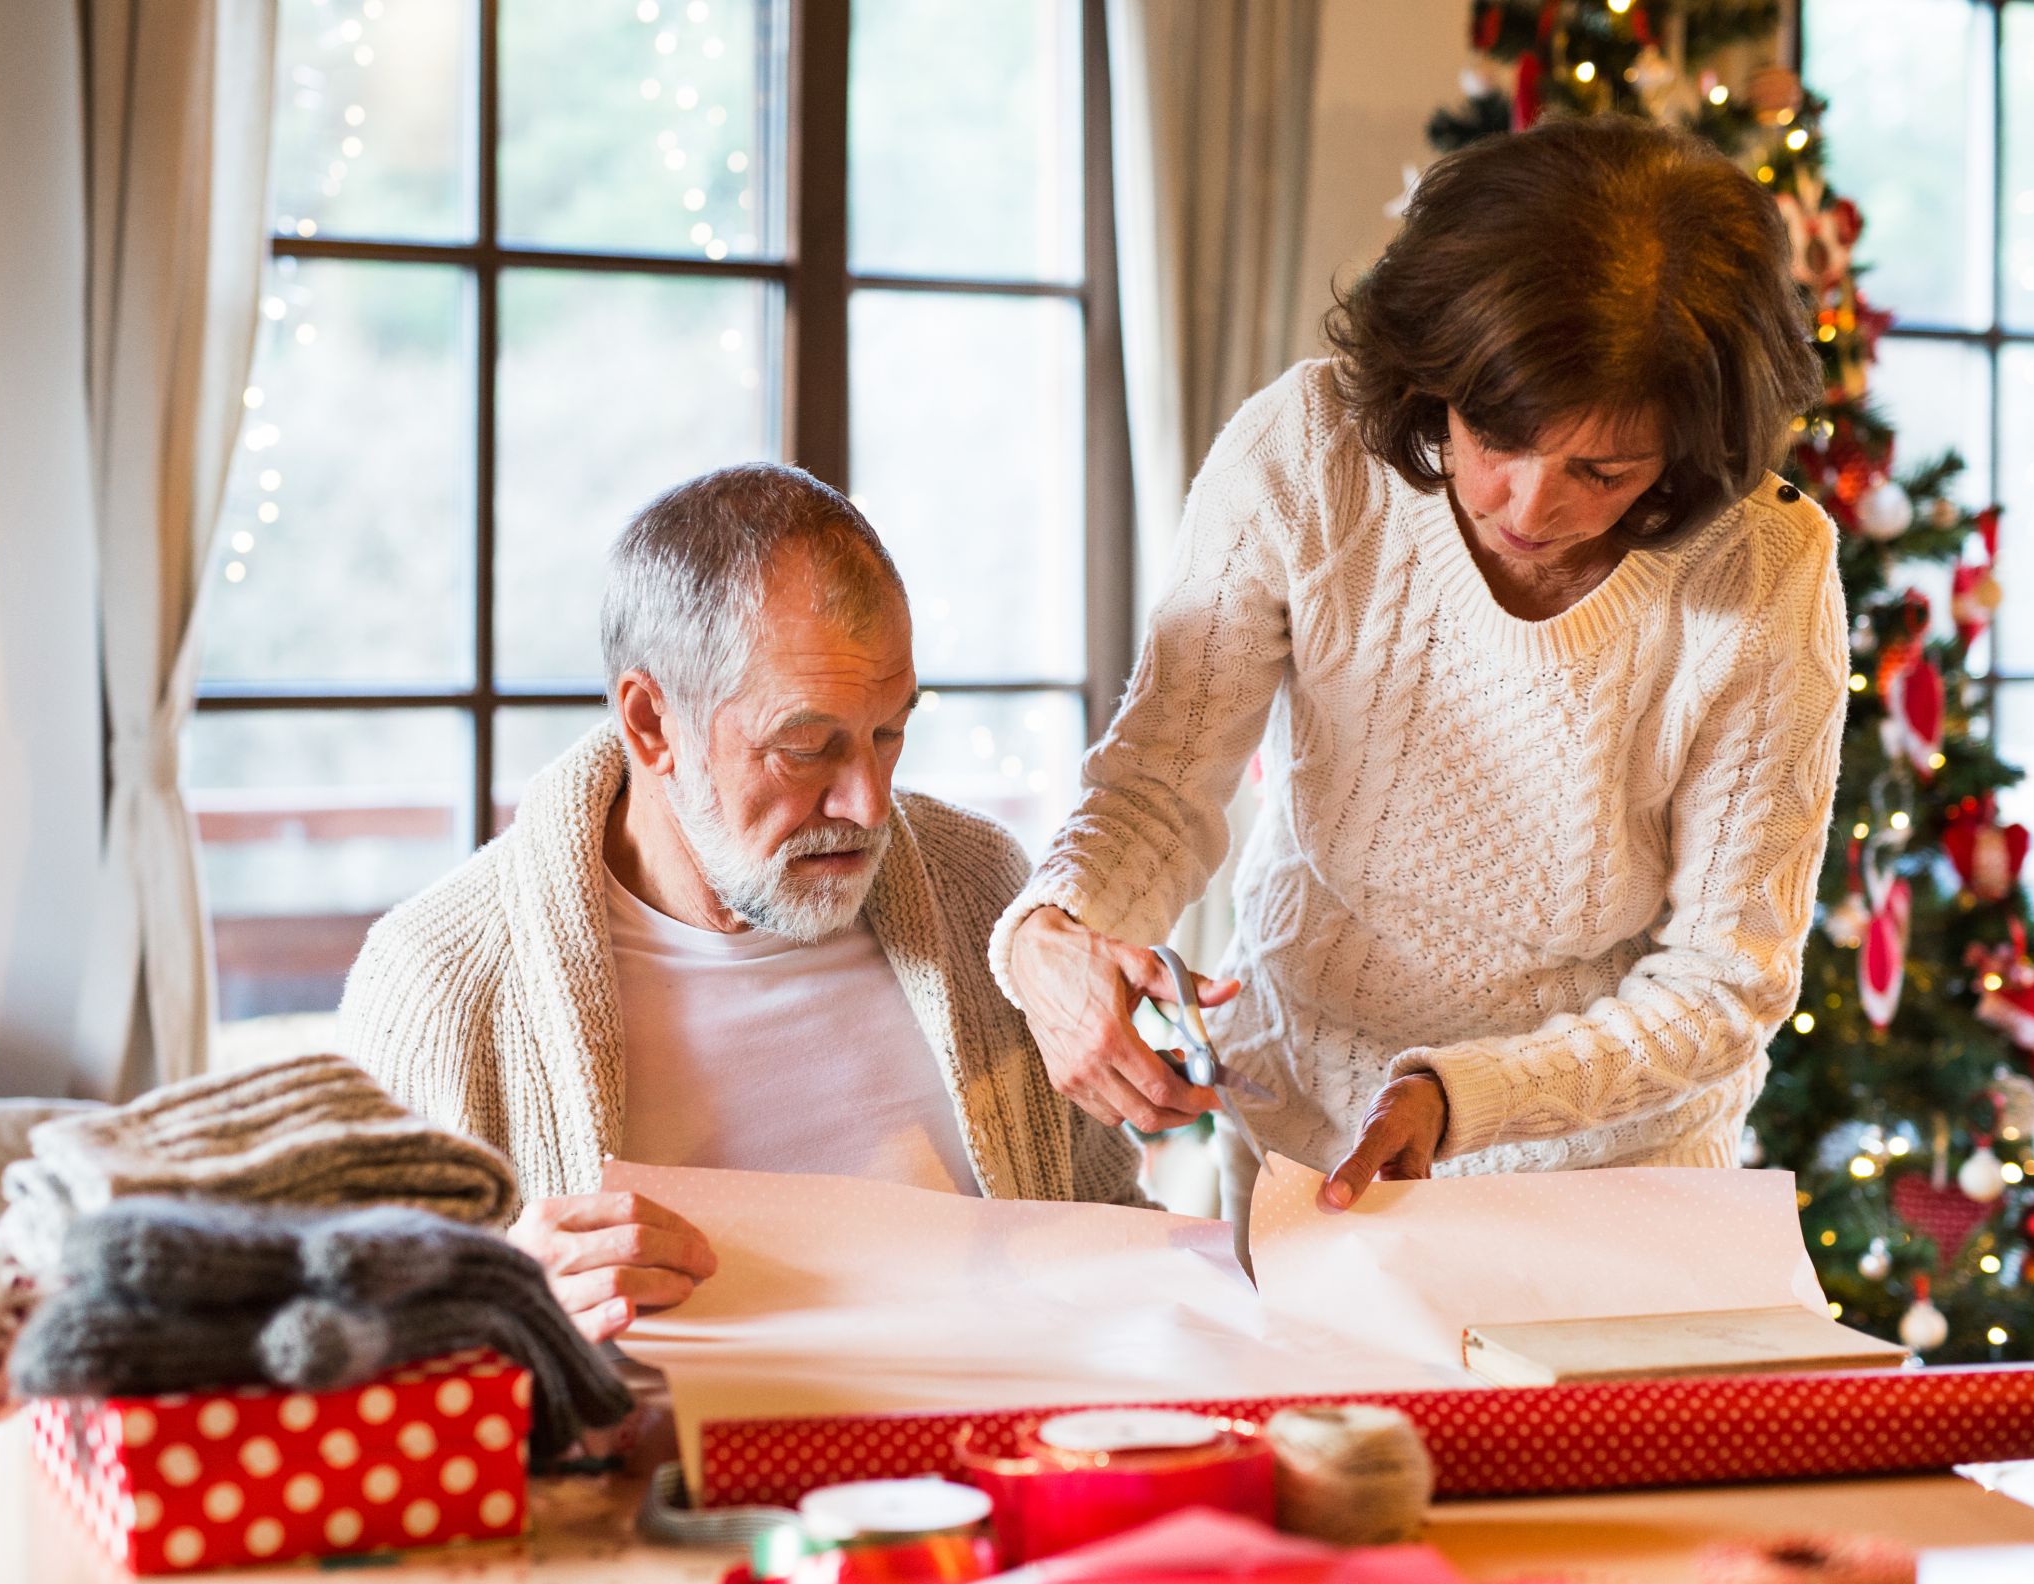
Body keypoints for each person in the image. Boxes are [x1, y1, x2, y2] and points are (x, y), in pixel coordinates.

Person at [990, 118, 1850, 1227]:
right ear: (1431, 372)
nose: (1526, 509)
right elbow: (1158, 781)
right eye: (1494, 434)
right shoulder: (1307, 453)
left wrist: (1462, 1097)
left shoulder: (1763, 569)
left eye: (1602, 469)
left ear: (1688, 452)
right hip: (1310, 1132)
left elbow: (1723, 981)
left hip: (1615, 1182)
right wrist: (1053, 933)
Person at [341, 464, 1147, 1344]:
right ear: (651, 724)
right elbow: (354, 1346)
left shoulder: (982, 888)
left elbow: (1109, 1230)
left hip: (990, 1459)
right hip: (658, 1480)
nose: (868, 805)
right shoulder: (439, 983)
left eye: (889, 734)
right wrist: (495, 1308)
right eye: (806, 749)